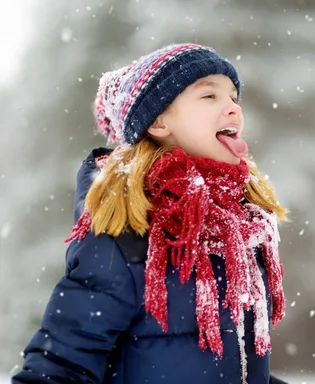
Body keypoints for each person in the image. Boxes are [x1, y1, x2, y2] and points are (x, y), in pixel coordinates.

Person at [12, 43, 289, 384]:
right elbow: (59, 368)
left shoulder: (234, 233)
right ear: (158, 121)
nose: (233, 108)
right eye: (209, 97)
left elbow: (231, 366)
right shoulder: (126, 238)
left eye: (234, 97)